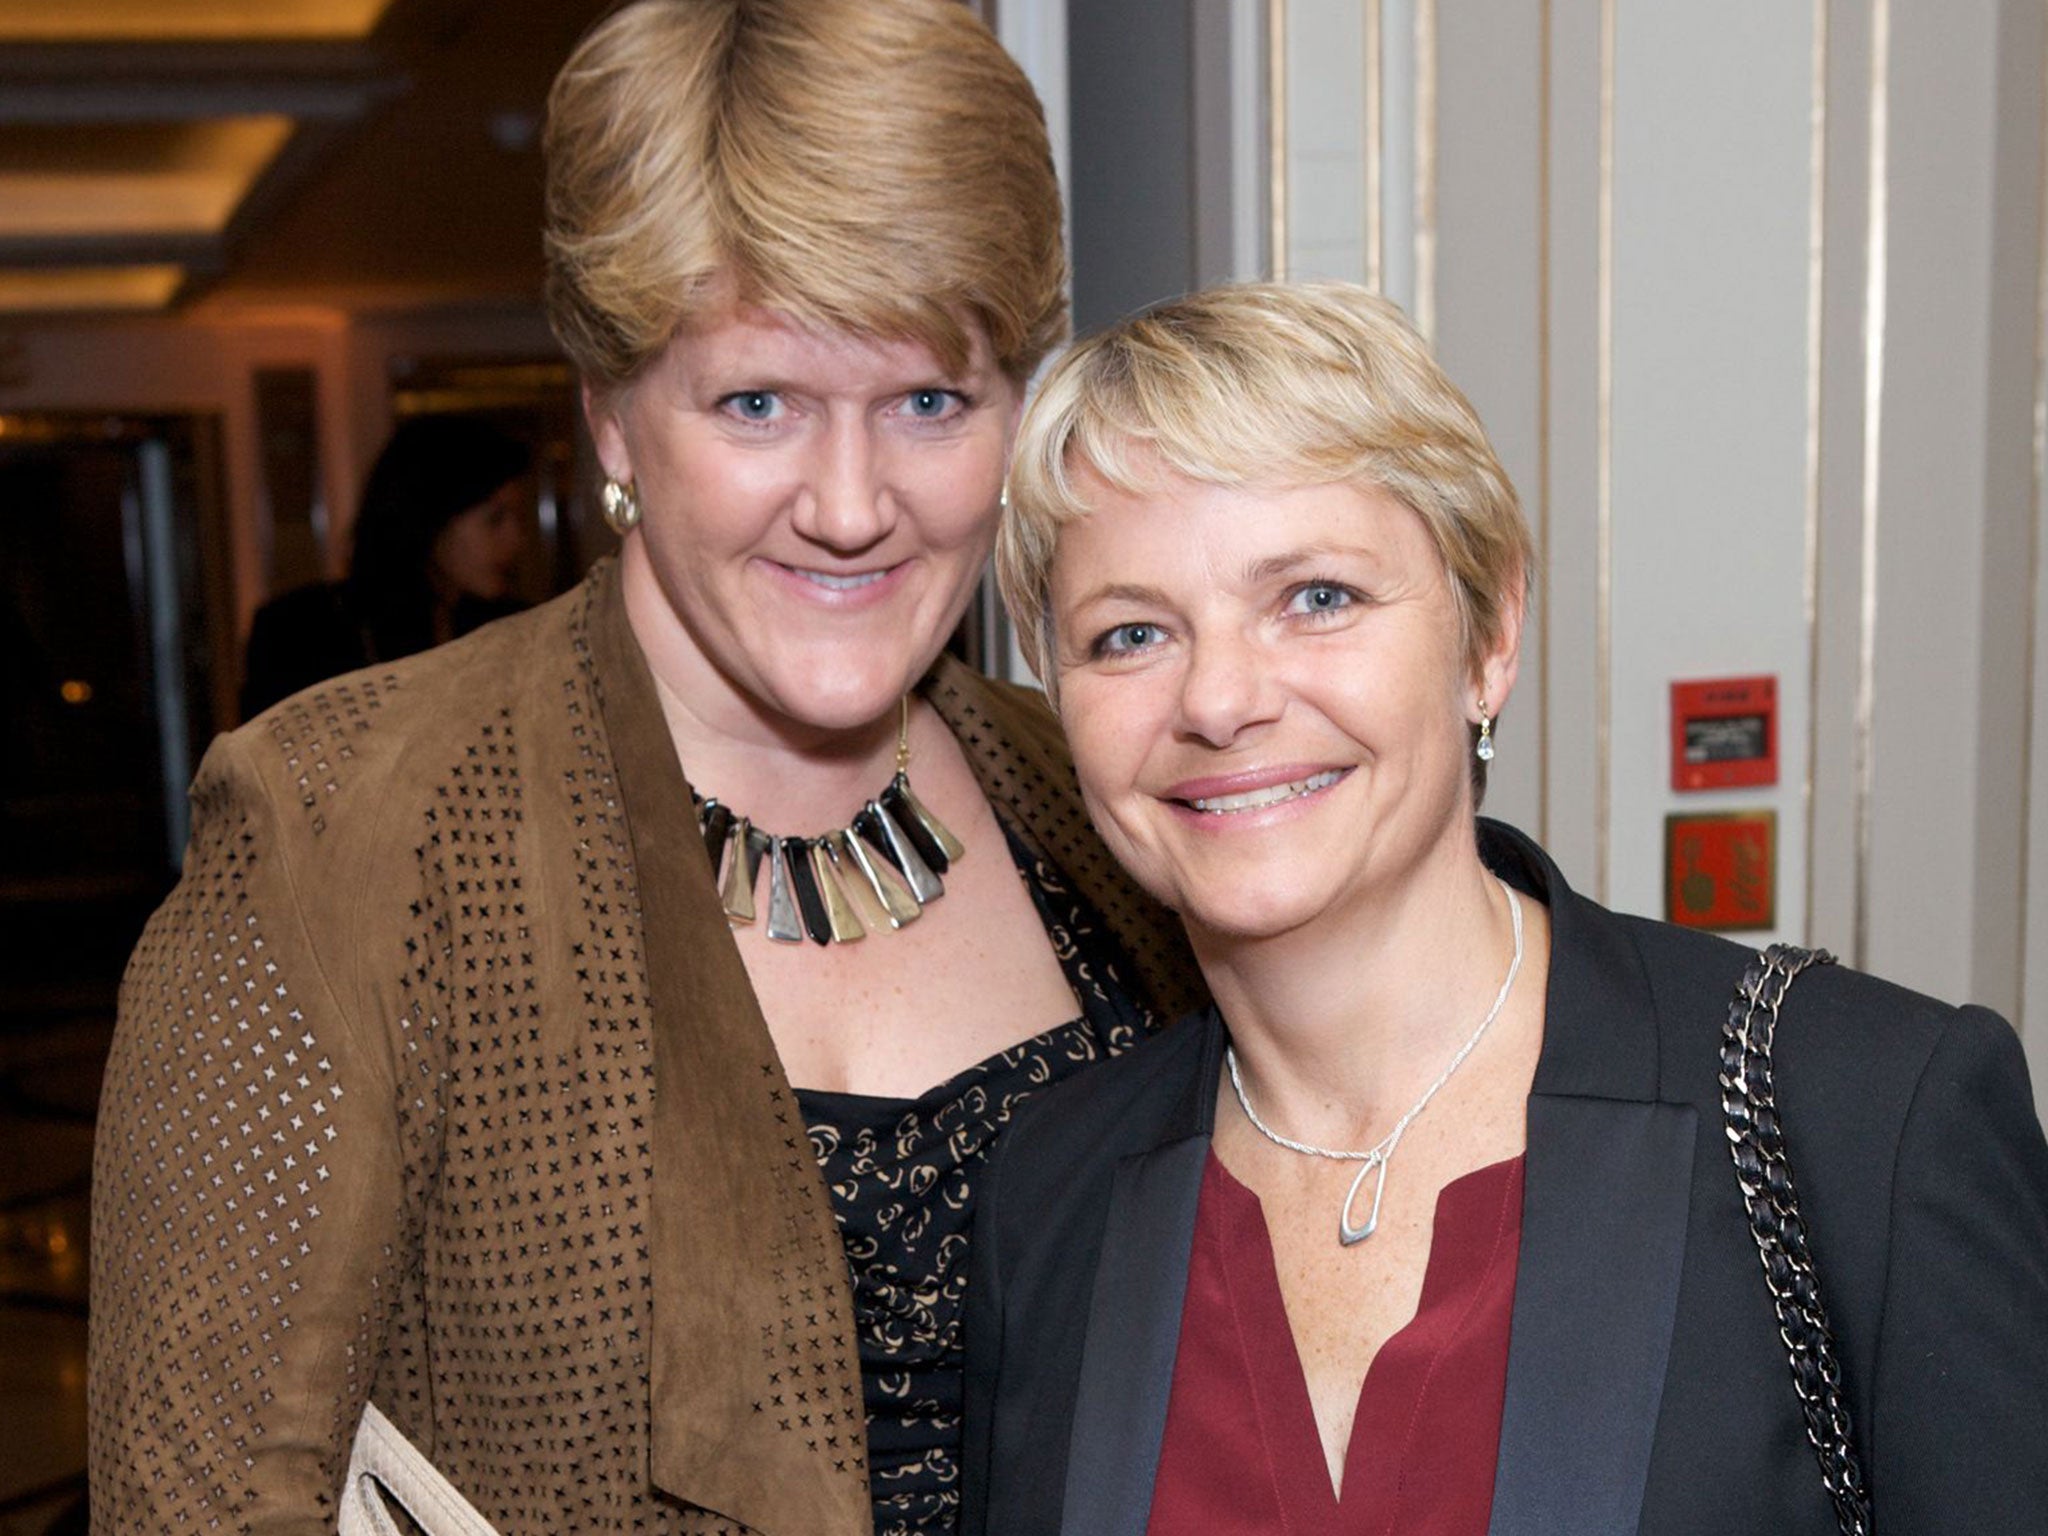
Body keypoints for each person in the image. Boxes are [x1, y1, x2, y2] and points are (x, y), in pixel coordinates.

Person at [89, 4, 1201, 1533]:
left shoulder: (1107, 797)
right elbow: (197, 1505)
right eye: (759, 403)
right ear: (609, 412)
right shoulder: (342, 829)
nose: (852, 504)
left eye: (930, 402)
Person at [963, 281, 2048, 1536]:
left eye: (1316, 597)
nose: (1219, 700)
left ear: (1488, 636)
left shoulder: (1865, 1114)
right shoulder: (1048, 1196)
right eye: (1129, 635)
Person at [238, 412, 533, 717]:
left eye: (518, 518)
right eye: (495, 519)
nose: (516, 539)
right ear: (431, 520)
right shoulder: (300, 632)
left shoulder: (512, 629)